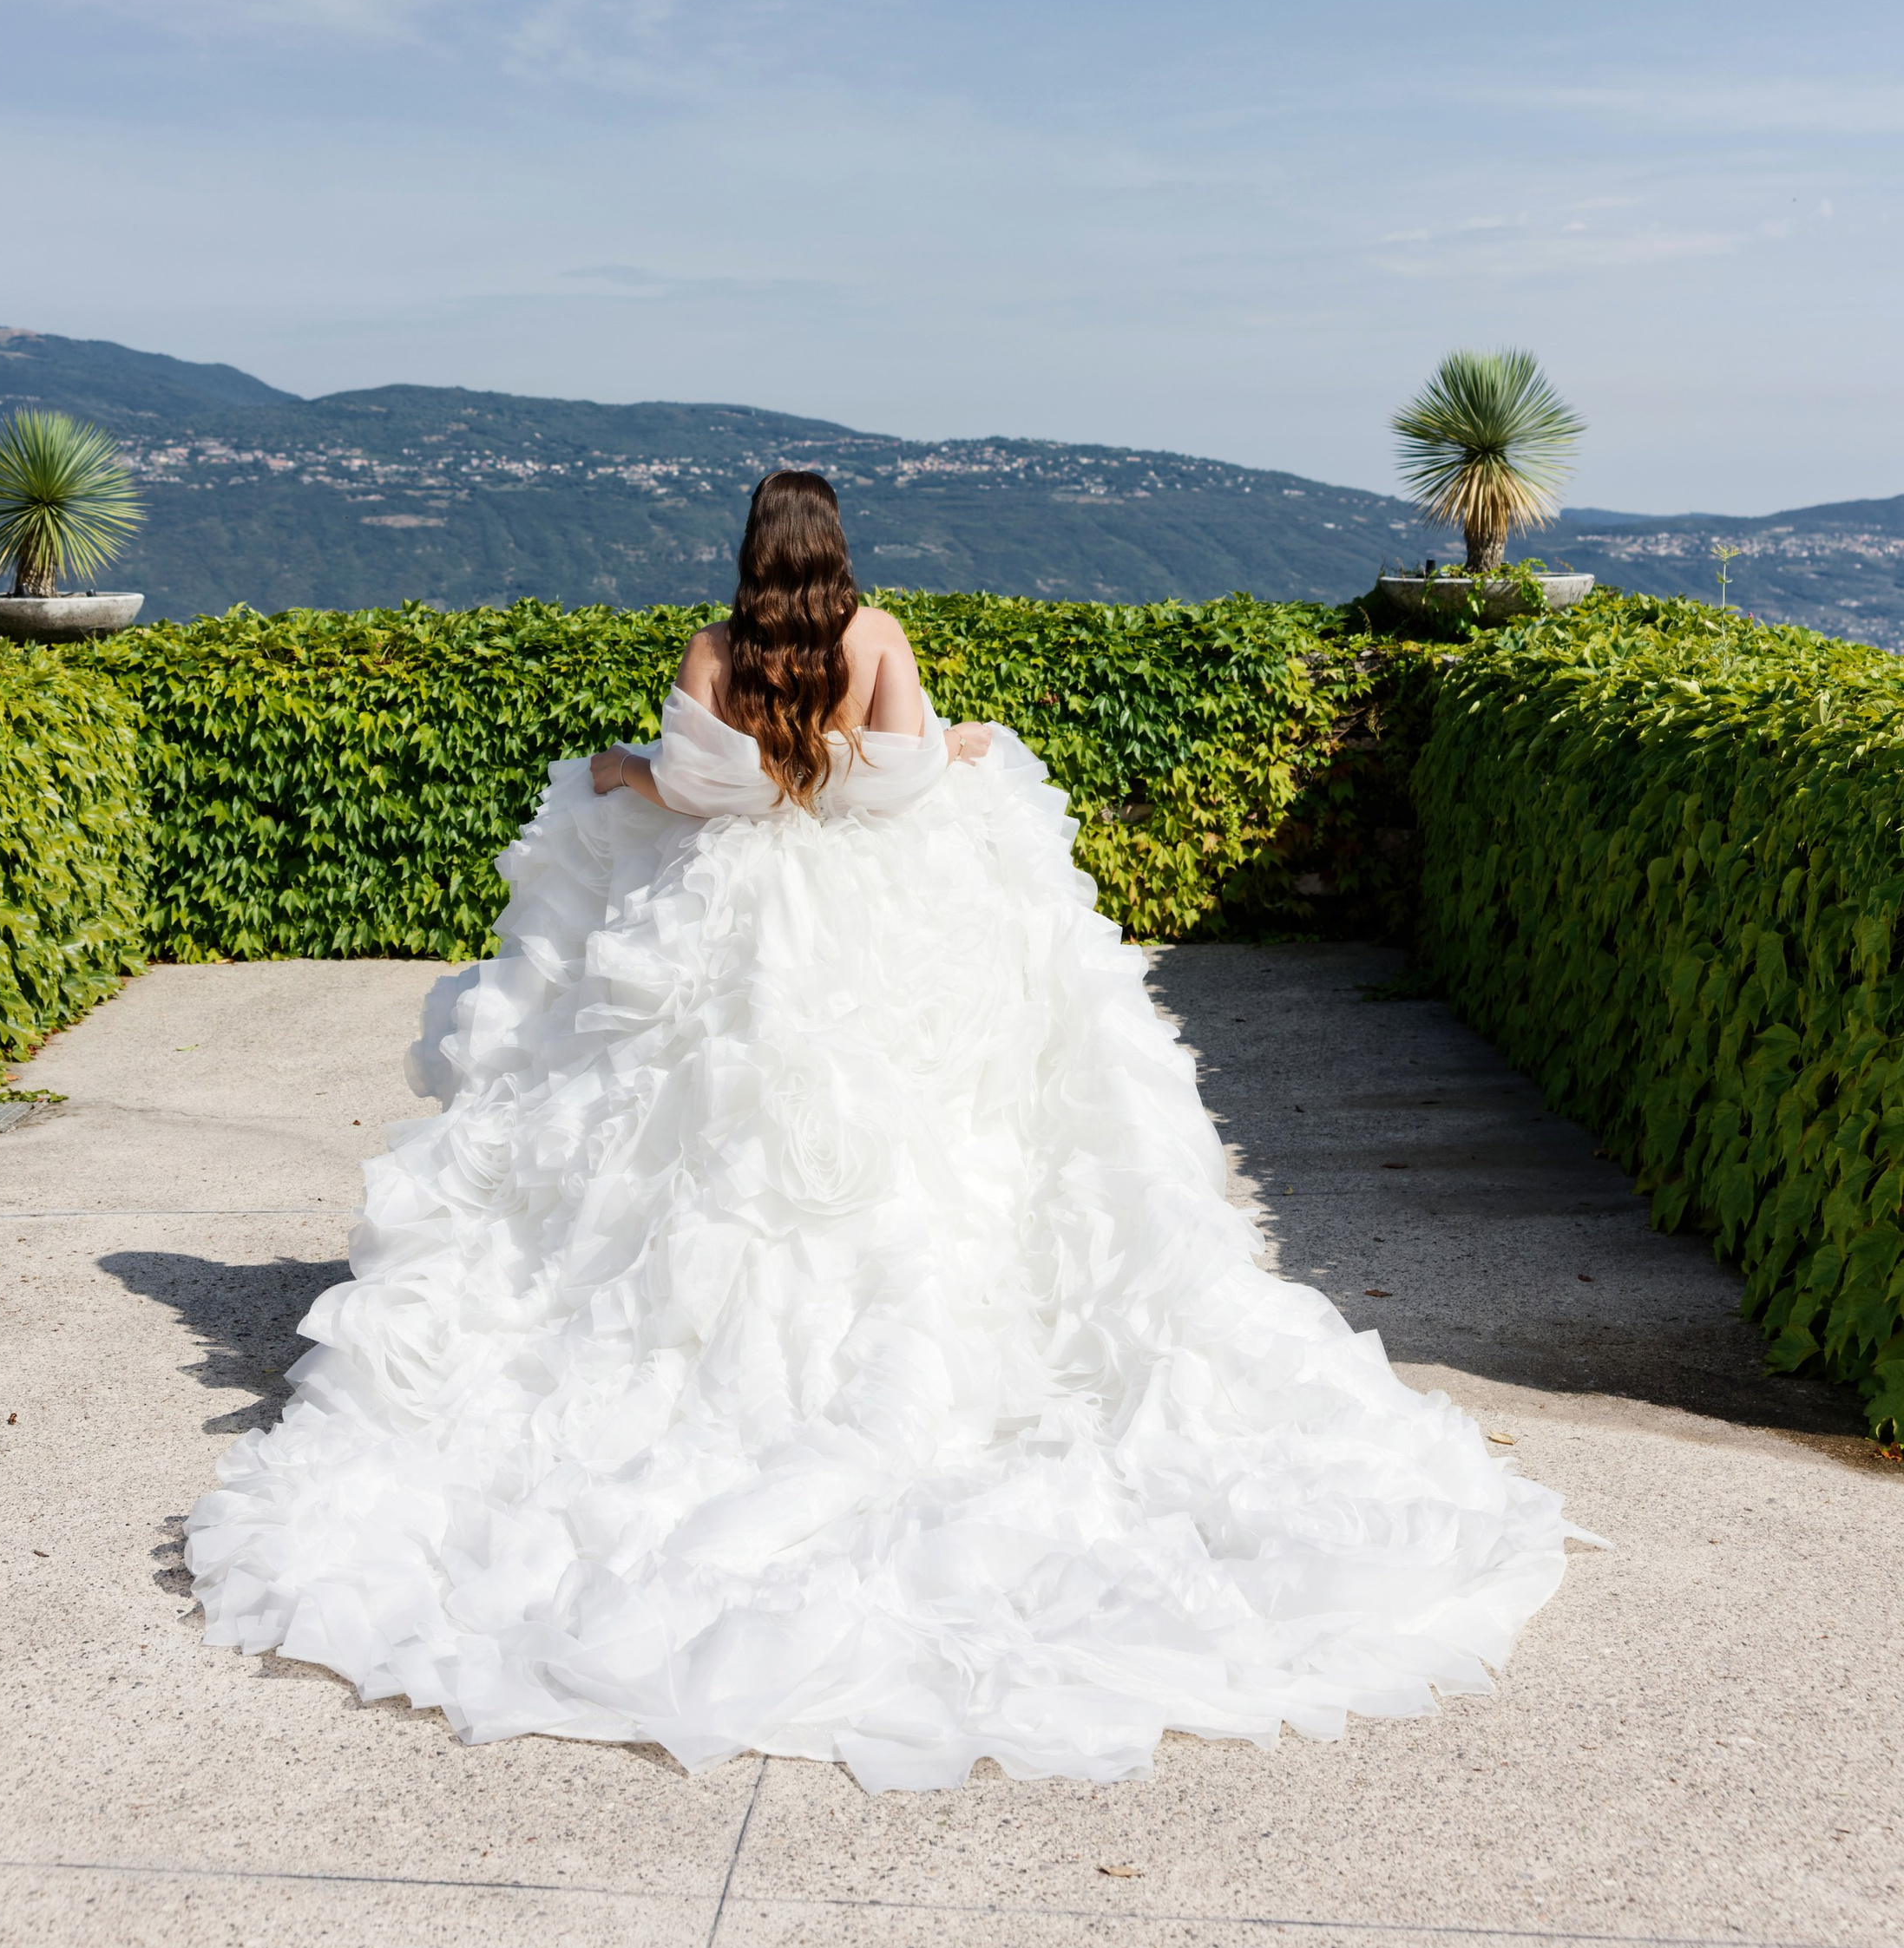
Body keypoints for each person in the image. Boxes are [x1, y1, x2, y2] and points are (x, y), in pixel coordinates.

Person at [187, 469, 1576, 1790]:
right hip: (865, 926)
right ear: (833, 550)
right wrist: (945, 746)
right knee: (931, 1146)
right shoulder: (879, 635)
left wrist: (619, 771)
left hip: (734, 927)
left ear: (751, 554)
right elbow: (900, 776)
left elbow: (701, 787)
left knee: (690, 1159)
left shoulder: (710, 647)